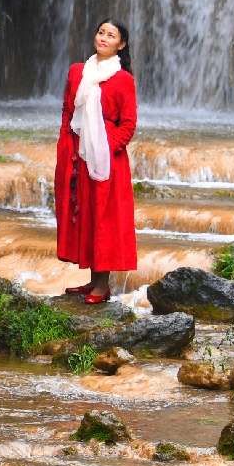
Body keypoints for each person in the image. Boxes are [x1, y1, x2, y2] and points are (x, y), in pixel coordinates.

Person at [54, 19, 138, 303]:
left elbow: (128, 124)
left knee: (105, 217)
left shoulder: (124, 79)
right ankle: (91, 281)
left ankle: (103, 286)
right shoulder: (77, 72)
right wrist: (68, 147)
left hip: (107, 159)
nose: (103, 37)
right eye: (100, 32)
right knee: (86, 214)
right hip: (78, 152)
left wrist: (106, 148)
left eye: (110, 35)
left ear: (121, 44)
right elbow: (67, 110)